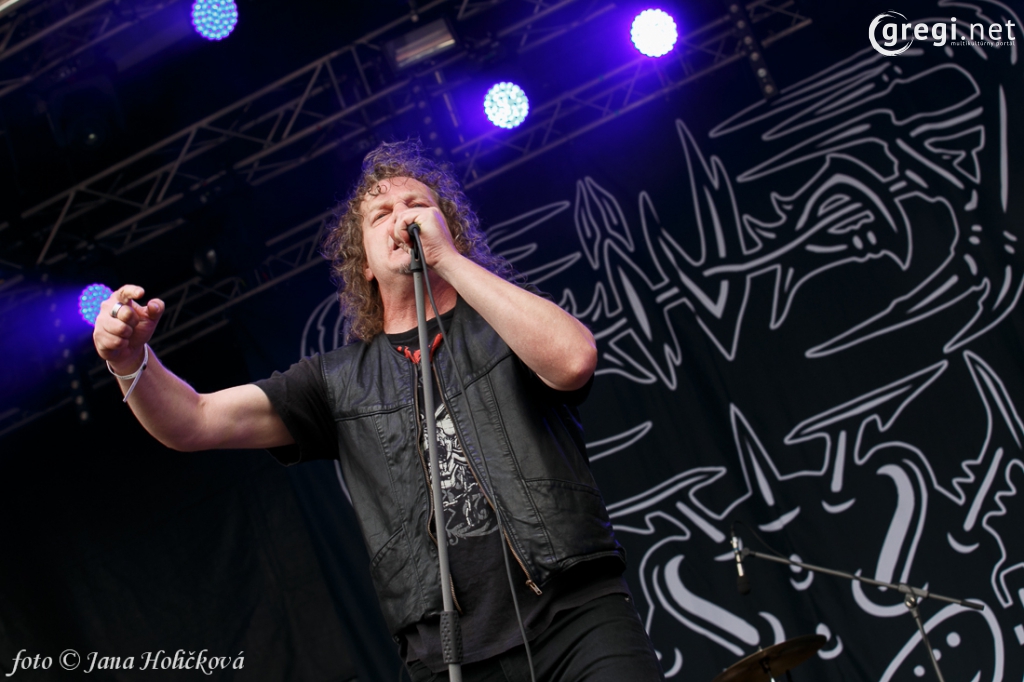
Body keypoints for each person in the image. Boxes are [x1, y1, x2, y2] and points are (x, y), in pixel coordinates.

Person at [92, 140, 665, 681]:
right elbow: (193, 420)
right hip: (447, 654)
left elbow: (572, 360)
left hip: (578, 617)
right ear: (363, 262)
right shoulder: (336, 382)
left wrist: (446, 259)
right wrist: (129, 361)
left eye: (417, 204)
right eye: (380, 214)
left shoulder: (505, 325)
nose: (402, 217)